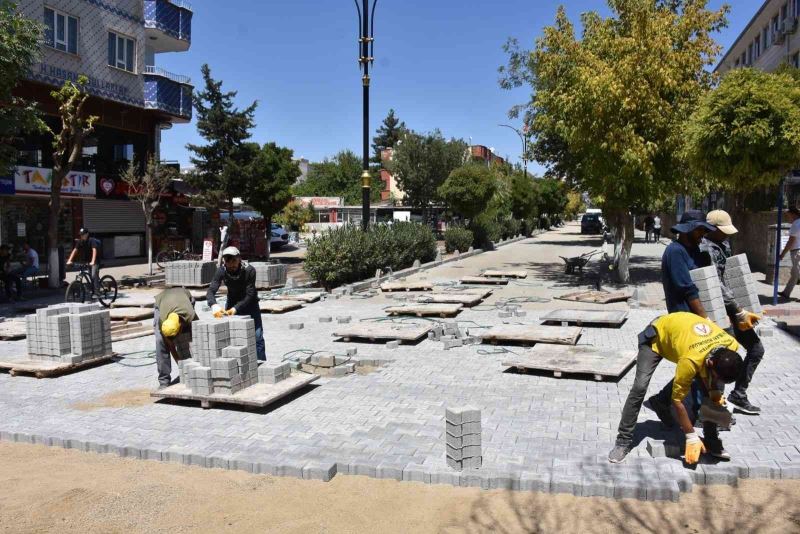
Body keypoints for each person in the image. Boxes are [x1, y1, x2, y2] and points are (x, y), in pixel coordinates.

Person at [608, 312, 743, 464]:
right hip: (656, 337)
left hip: (684, 337)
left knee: (712, 394)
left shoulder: (731, 344)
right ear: (711, 363)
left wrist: (714, 392)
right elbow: (677, 401)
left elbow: (711, 380)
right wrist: (690, 436)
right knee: (640, 387)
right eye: (716, 376)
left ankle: (711, 440)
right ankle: (623, 440)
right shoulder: (690, 361)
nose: (716, 381)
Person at [207, 246, 266, 361]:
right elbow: (211, 290)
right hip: (232, 303)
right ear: (225, 262)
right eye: (229, 264)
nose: (232, 266)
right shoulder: (221, 271)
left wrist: (236, 309)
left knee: (257, 337)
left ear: (239, 259)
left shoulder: (249, 271)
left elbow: (250, 295)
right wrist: (213, 304)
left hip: (250, 304)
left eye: (234, 262)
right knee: (232, 336)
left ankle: (261, 363)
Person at [661, 210, 717, 316]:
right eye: (699, 229)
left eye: (704, 230)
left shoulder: (694, 249)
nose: (703, 234)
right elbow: (688, 290)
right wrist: (706, 319)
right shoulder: (675, 251)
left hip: (698, 315)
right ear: (686, 230)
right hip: (685, 318)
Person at [154, 287, 196, 388]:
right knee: (160, 342)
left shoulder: (190, 315)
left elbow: (198, 334)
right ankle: (164, 381)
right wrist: (182, 367)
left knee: (194, 333)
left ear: (180, 326)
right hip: (162, 300)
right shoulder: (162, 321)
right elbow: (171, 347)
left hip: (184, 295)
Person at [779, 207, 800, 300]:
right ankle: (786, 293)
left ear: (793, 214)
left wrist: (783, 254)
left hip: (797, 251)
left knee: (797, 273)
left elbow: (791, 241)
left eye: (788, 215)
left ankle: (786, 293)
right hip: (797, 250)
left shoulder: (796, 224)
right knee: (795, 274)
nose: (788, 218)